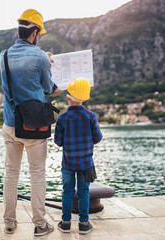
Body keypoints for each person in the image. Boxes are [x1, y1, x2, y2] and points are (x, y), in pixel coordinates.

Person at [0, 9, 61, 236]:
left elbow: (21, 72)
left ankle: (9, 222)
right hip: (34, 126)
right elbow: (49, 90)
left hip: (10, 124)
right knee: (37, 174)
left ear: (19, 30)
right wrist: (50, 66)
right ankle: (40, 225)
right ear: (35, 32)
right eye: (39, 33)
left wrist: (44, 57)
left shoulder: (2, 56)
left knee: (11, 174)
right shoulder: (40, 57)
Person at [54, 78, 103, 235]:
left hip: (68, 163)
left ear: (68, 97)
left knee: (67, 192)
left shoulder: (62, 118)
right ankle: (83, 224)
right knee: (83, 193)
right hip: (86, 164)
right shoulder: (91, 116)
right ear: (85, 98)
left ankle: (66, 223)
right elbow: (98, 138)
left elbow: (58, 142)